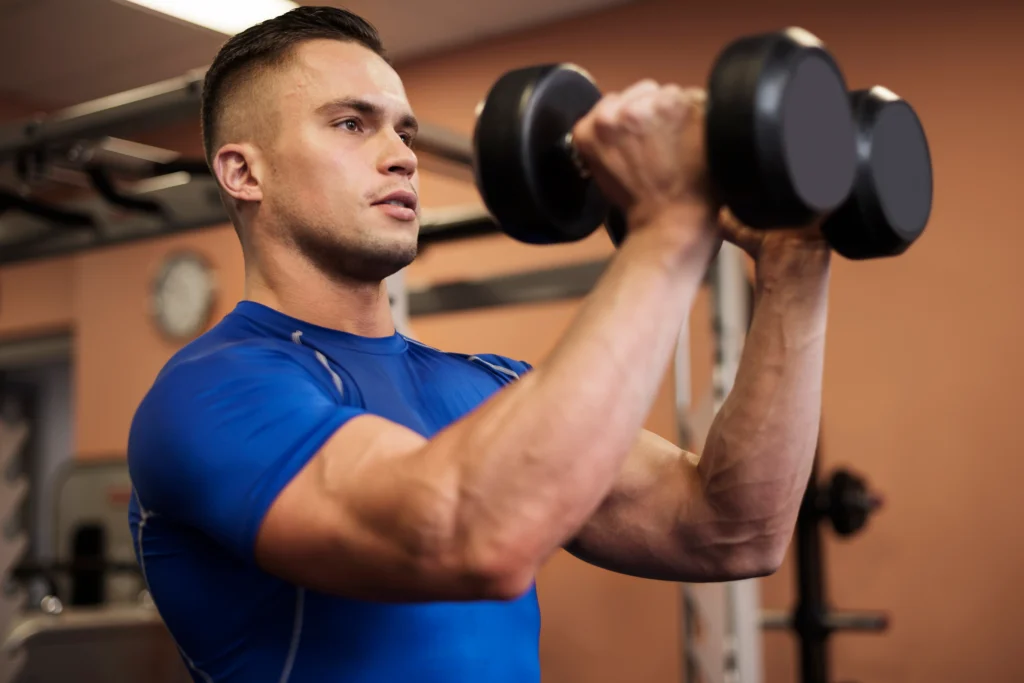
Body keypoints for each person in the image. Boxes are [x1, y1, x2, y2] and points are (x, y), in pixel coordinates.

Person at [127, 6, 831, 683]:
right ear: (244, 173)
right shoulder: (208, 392)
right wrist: (667, 227)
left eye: (402, 131)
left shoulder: (492, 385)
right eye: (351, 123)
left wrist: (794, 266)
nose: (401, 156)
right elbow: (464, 534)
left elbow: (733, 528)